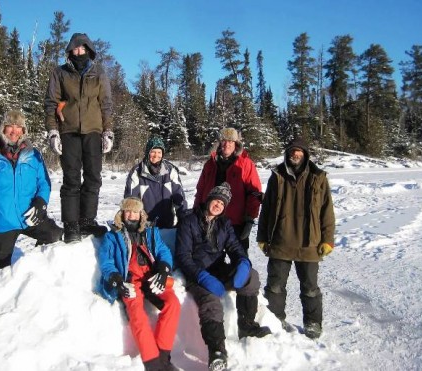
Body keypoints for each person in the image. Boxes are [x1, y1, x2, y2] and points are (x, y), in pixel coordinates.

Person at [176, 183, 270, 371]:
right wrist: (201, 276)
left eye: (222, 203)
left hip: (218, 270)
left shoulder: (224, 224)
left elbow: (235, 248)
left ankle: (247, 325)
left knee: (251, 277)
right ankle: (217, 351)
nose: (218, 205)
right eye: (216, 200)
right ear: (208, 199)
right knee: (210, 301)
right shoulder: (189, 221)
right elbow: (183, 256)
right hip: (197, 274)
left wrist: (243, 262)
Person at [256, 137, 336, 339]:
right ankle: (275, 319)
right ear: (287, 153)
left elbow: (327, 211)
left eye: (299, 151)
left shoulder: (319, 177)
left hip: (310, 243)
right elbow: (266, 209)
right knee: (274, 286)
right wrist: (263, 237)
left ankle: (312, 323)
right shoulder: (277, 175)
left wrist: (328, 239)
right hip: (280, 241)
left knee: (310, 288)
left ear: (306, 154)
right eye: (292, 151)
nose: (295, 154)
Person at [0, 110, 63, 279]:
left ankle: (37, 275)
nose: (14, 131)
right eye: (10, 127)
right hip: (0, 222)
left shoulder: (33, 155)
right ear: (2, 129)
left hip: (29, 216)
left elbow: (44, 183)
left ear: (24, 131)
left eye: (18, 127)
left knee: (56, 237)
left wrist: (40, 203)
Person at [44, 32, 113, 243]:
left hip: (93, 131)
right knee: (71, 178)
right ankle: (71, 224)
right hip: (69, 131)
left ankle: (87, 221)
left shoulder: (99, 73)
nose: (79, 52)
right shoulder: (60, 73)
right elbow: (51, 103)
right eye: (75, 48)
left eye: (82, 48)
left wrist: (108, 131)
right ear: (70, 50)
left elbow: (106, 104)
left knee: (93, 177)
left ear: (89, 50)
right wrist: (53, 131)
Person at [98, 197, 181, 371]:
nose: (131, 215)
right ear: (122, 213)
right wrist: (117, 281)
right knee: (137, 314)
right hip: (129, 280)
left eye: (135, 211)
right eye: (128, 211)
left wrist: (163, 269)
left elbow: (163, 251)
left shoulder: (150, 232)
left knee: (172, 303)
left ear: (141, 214)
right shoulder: (112, 235)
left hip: (151, 276)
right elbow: (106, 262)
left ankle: (163, 357)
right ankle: (153, 364)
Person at [193, 128, 262, 253]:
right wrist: (197, 210)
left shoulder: (245, 163)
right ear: (219, 143)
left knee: (239, 259)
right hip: (210, 219)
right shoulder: (210, 163)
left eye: (231, 141)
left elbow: (254, 193)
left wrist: (250, 218)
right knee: (210, 259)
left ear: (236, 144)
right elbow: (200, 190)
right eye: (224, 141)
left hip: (236, 222)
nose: (227, 144)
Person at [124, 135, 187, 229]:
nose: (156, 155)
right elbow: (131, 200)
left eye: (159, 152)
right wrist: (133, 224)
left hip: (167, 223)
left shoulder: (170, 170)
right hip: (144, 225)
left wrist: (183, 219)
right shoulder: (137, 171)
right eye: (153, 151)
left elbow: (179, 197)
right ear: (147, 152)